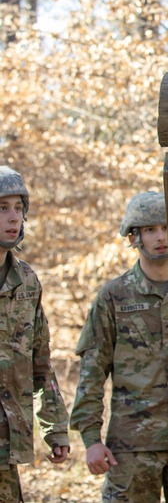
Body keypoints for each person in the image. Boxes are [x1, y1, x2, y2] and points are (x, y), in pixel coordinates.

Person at [70, 191, 168, 502]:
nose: (160, 237)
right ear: (134, 237)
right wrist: (91, 439)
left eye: (164, 227)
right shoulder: (114, 296)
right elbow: (92, 372)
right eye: (149, 230)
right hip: (132, 447)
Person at [0, 165, 70, 502]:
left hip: (6, 446)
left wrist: (55, 428)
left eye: (18, 208)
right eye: (2, 208)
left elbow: (40, 364)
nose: (13, 218)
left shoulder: (26, 281)